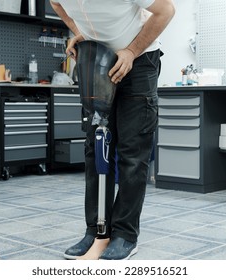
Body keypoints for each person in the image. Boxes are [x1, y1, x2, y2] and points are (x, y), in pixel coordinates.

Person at [50, 0, 175, 260]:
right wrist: (79, 32)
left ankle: (125, 235)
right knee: (97, 149)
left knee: (132, 152)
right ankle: (96, 231)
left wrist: (131, 51)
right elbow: (57, 5)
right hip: (97, 59)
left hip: (140, 60)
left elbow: (166, 11)